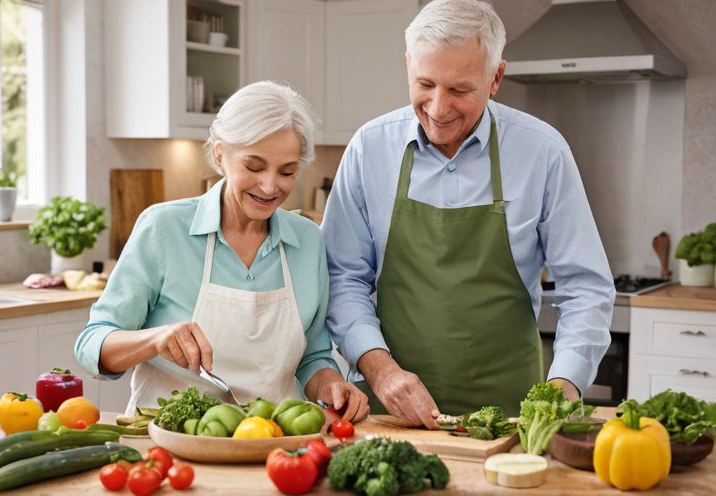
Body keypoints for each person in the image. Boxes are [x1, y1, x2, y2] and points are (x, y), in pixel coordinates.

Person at [321, 0, 614, 426]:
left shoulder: (543, 152)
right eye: (425, 84)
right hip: (391, 413)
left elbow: (586, 289)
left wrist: (563, 389)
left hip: (512, 418)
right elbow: (342, 277)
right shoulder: (370, 148)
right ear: (407, 65)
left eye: (459, 90)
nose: (438, 109)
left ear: (495, 77)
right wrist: (380, 371)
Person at [76, 81, 369, 421]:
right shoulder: (164, 229)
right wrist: (155, 339)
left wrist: (332, 385)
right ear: (220, 155)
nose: (270, 186)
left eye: (287, 172)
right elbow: (91, 344)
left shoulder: (308, 241)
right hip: (169, 440)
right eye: (254, 167)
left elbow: (313, 357)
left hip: (271, 444)